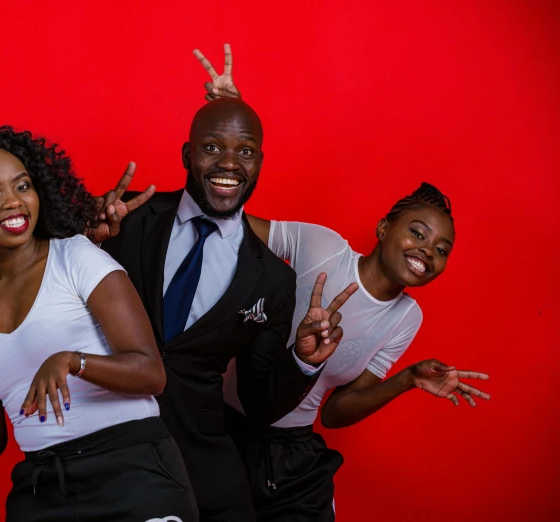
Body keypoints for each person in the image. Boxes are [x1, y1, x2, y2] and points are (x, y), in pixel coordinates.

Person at [195, 45, 490, 521]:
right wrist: (230, 129)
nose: (426, 252)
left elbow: (335, 413)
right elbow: (231, 220)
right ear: (383, 228)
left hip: (290, 455)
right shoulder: (325, 247)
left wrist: (409, 380)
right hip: (219, 429)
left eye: (441, 249)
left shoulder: (406, 317)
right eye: (417, 233)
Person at [0, 124, 198, 522]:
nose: (13, 203)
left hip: (133, 471)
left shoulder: (77, 258)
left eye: (22, 186)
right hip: (42, 488)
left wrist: (73, 360)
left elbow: (151, 374)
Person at [100, 96, 358, 521]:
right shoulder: (126, 217)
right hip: (106, 442)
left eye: (245, 151)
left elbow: (258, 404)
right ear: (188, 154)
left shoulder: (274, 279)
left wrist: (303, 362)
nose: (229, 163)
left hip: (201, 462)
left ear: (259, 162)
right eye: (212, 147)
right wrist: (85, 235)